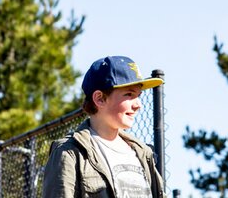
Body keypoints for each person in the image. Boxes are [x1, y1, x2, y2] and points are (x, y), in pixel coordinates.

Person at [42, 56, 166, 198]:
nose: (138, 105)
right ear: (99, 98)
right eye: (129, 94)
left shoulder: (143, 153)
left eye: (139, 95)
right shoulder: (69, 152)